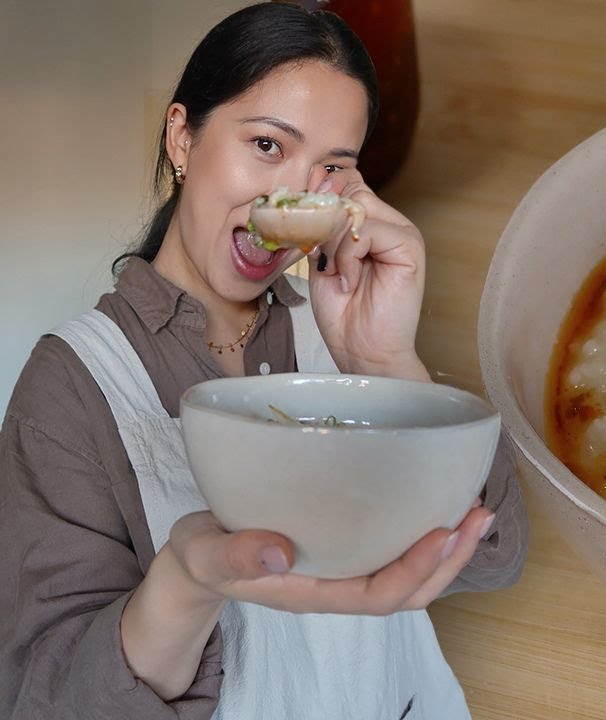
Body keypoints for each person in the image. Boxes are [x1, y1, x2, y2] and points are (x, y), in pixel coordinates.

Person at [0, 4, 527, 718]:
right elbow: (44, 697)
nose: (293, 195)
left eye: (331, 167)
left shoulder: (340, 332)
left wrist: (384, 359)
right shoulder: (72, 386)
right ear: (182, 138)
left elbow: (494, 555)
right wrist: (186, 581)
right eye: (269, 147)